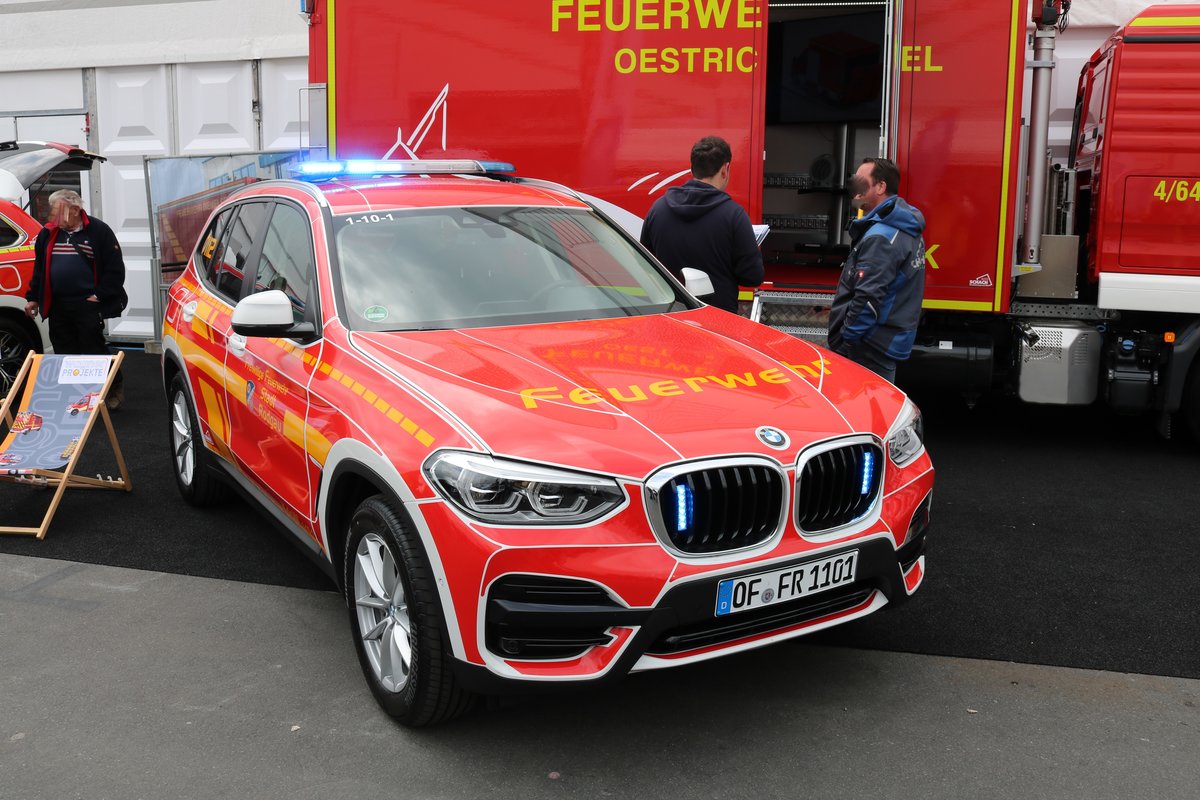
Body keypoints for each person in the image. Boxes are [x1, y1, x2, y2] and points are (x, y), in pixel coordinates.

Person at [24, 189, 127, 409]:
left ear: (75, 210)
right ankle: (74, 396)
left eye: (57, 211)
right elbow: (40, 269)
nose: (53, 217)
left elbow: (115, 269)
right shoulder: (47, 233)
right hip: (58, 304)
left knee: (94, 349)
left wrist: (100, 295)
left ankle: (112, 387)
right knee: (64, 351)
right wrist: (33, 298)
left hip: (88, 303)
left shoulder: (99, 231)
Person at [827, 157, 926, 384]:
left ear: (881, 186)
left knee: (860, 405)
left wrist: (847, 339)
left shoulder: (882, 236)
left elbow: (868, 299)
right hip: (882, 342)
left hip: (869, 346)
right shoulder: (905, 226)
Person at [640, 135, 764, 313]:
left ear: (692, 168)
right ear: (725, 169)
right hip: (717, 317)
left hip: (670, 314)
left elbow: (645, 265)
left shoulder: (658, 209)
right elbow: (752, 277)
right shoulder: (734, 215)